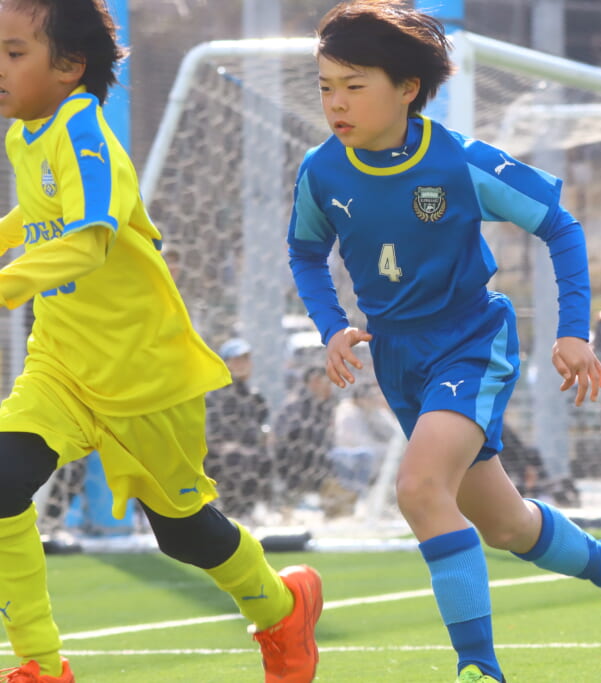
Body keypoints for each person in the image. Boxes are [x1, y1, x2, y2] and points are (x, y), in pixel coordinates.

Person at [286, 2, 601, 681]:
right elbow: (306, 253)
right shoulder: (322, 172)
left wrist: (573, 330)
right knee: (507, 525)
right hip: (397, 359)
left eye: (354, 85)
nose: (335, 102)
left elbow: (559, 225)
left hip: (470, 341)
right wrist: (331, 325)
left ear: (407, 88)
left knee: (418, 487)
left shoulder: (459, 162)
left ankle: (478, 668)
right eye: (325, 87)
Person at [0, 2, 321, 681]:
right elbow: (38, 212)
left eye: (13, 52)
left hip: (144, 375)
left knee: (184, 532)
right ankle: (40, 663)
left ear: (69, 66)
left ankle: (280, 607)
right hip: (61, 367)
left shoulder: (83, 131)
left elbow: (88, 239)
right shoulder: (26, 135)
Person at [204, 337, 273, 518]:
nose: (243, 364)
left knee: (264, 458)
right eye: (236, 360)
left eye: (246, 359)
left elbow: (261, 425)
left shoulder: (254, 396)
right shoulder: (215, 395)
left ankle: (260, 510)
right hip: (223, 455)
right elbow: (210, 434)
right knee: (237, 459)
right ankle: (233, 513)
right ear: (225, 364)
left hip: (250, 451)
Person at [272, 365, 337, 504]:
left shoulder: (325, 405)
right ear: (313, 382)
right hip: (295, 458)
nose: (329, 386)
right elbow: (284, 435)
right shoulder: (296, 404)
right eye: (326, 382)